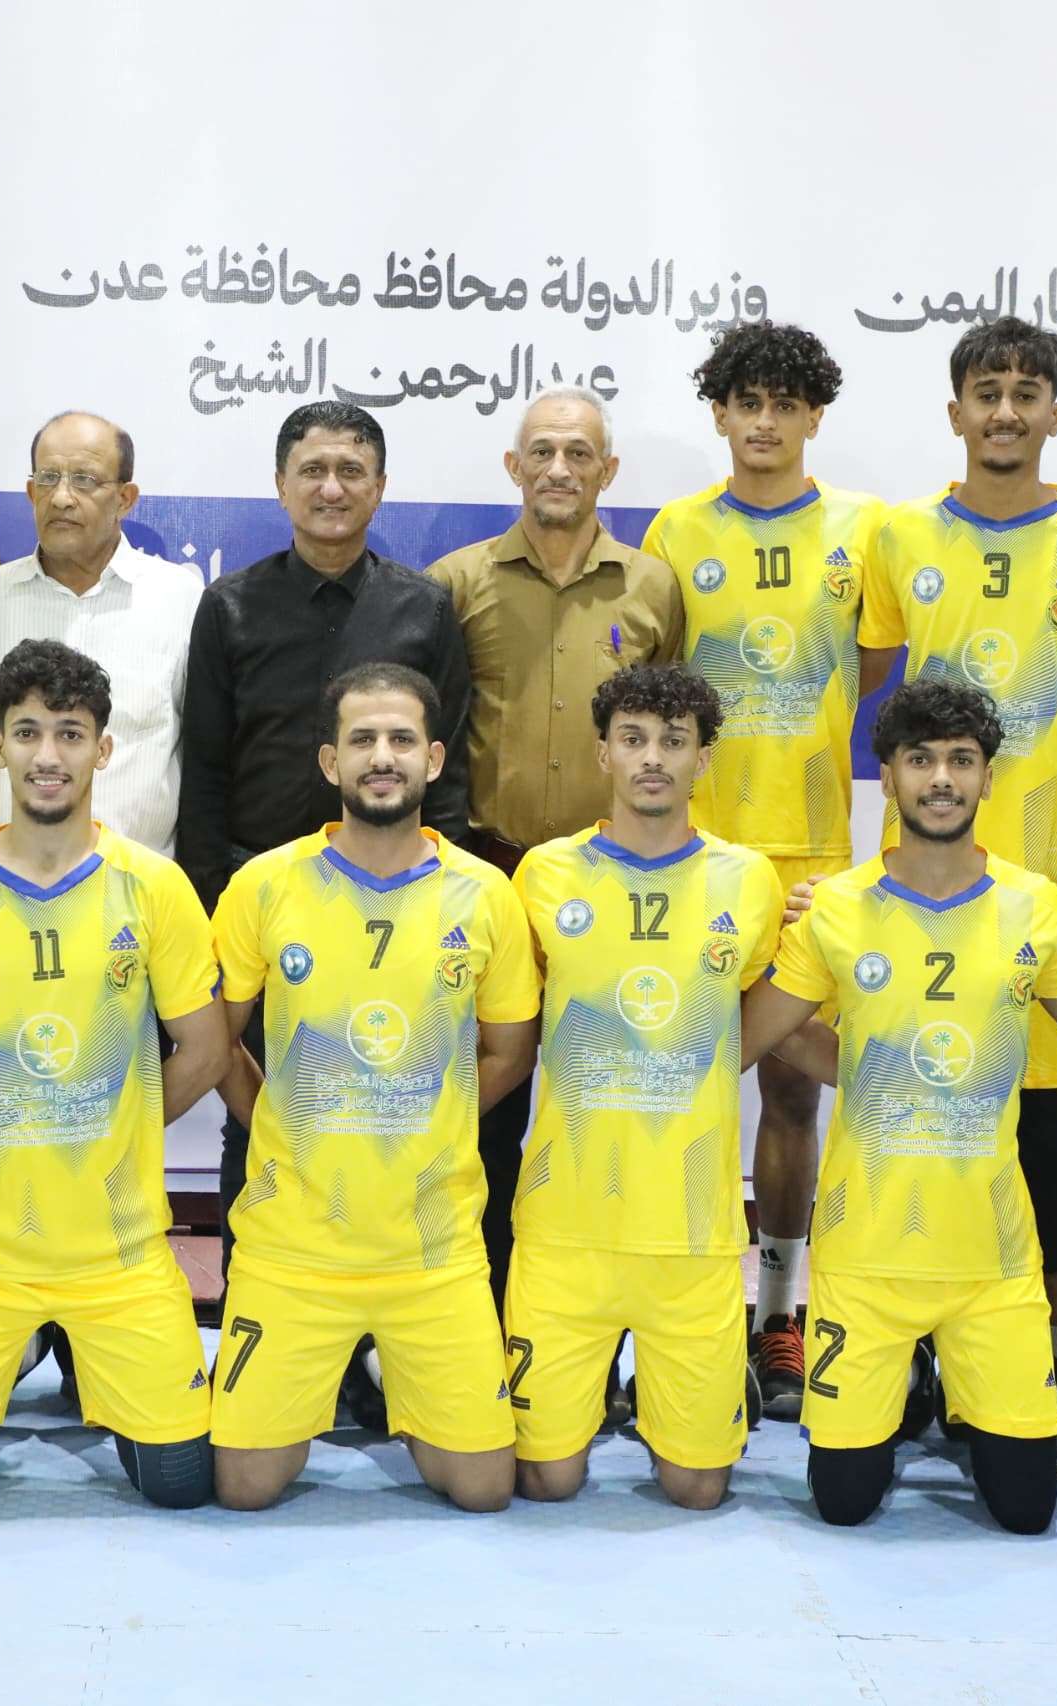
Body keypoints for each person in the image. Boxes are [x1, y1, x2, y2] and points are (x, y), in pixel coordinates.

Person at [857, 315, 1057, 1457]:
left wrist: (1056, 724)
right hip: (914, 871)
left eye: (1027, 394)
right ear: (955, 412)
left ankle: (1039, 1359)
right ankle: (909, 1353)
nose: (1005, 411)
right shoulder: (899, 535)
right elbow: (873, 684)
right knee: (910, 1100)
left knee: (1037, 1114)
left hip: (1042, 875)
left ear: (1054, 415)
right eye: (987, 392)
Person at [739, 679, 1057, 1532]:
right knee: (843, 1502)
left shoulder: (1035, 906)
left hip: (993, 1266)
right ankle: (909, 1379)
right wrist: (870, 1068)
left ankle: (958, 1385)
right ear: (887, 778)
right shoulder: (835, 908)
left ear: (988, 777)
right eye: (920, 760)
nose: (941, 779)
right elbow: (750, 1037)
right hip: (866, 1262)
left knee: (1027, 1508)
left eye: (960, 760)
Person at [0, 640, 230, 1511]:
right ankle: (5, 1361)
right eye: (27, 732)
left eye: (70, 733)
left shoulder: (154, 887)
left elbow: (207, 1049)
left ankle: (97, 1371)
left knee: (182, 1486)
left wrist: (122, 1119)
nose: (47, 754)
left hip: (118, 1253)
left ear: (104, 749)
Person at [178, 402, 473, 1427]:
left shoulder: (424, 607)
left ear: (379, 486)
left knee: (390, 1121)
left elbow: (452, 772)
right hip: (269, 914)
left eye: (352, 469)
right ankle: (257, 1335)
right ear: (281, 484)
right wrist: (212, 907)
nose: (332, 487)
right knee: (255, 1128)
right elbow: (204, 770)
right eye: (312, 469)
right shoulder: (231, 607)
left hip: (403, 911)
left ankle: (391, 1351)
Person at [206, 662, 538, 1511]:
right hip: (295, 1247)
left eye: (400, 739)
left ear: (434, 759)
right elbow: (216, 1041)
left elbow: (509, 1052)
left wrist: (435, 1114)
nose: (381, 757)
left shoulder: (486, 895)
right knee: (244, 1487)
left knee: (484, 1490)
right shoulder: (264, 885)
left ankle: (397, 1369)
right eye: (361, 740)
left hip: (432, 1251)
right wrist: (272, 1114)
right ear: (331, 762)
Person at [426, 386, 684, 1419]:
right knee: (489, 1115)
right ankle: (480, 1334)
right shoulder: (458, 583)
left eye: (580, 452)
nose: (560, 469)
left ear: (608, 470)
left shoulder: (653, 585)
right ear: (514, 466)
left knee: (600, 1113)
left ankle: (598, 1349)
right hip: (489, 874)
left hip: (610, 888)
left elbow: (667, 729)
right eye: (541, 451)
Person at [642, 321, 882, 1421]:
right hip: (693, 857)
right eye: (748, 402)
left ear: (814, 416)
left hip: (815, 852)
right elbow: (655, 694)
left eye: (787, 403)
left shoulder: (863, 530)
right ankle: (665, 1304)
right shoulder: (677, 529)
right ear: (720, 413)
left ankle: (779, 1312)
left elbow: (874, 666)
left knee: (791, 1088)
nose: (766, 422)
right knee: (666, 1085)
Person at [507, 663, 779, 1507]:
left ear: (704, 759)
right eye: (633, 739)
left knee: (697, 1489)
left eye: (673, 740)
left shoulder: (751, 880)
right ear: (603, 754)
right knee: (546, 1480)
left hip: (690, 1234)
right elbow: (507, 1027)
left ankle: (697, 1391)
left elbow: (772, 1018)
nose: (652, 758)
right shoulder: (543, 874)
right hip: (566, 1229)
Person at [0, 412, 200, 854]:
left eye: (85, 480)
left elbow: (205, 762)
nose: (62, 498)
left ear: (125, 498)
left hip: (135, 886)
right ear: (31, 493)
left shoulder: (180, 600)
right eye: (48, 479)